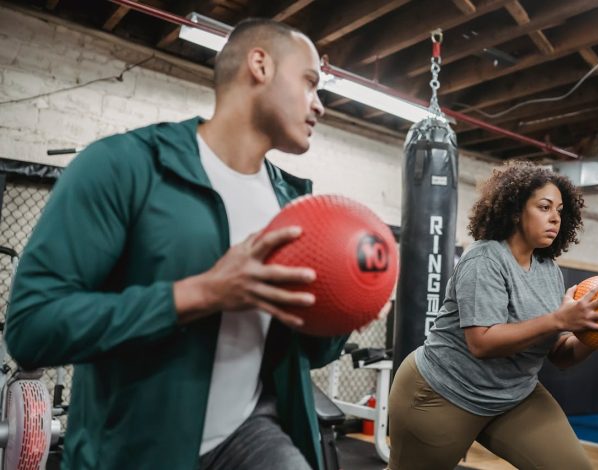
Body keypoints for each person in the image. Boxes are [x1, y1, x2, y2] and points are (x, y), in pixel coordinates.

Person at [6, 18, 348, 470]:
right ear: (259, 65)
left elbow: (312, 352)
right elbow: (31, 329)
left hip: (248, 435)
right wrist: (198, 294)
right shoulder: (122, 166)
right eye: (309, 83)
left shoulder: (295, 208)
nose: (319, 106)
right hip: (135, 447)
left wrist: (345, 304)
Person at [388, 161, 598, 470]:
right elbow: (482, 343)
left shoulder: (548, 271)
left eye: (560, 210)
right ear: (515, 211)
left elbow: (560, 355)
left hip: (514, 398)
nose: (555, 217)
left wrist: (596, 331)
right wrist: (559, 320)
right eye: (544, 207)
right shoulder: (484, 259)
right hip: (443, 393)